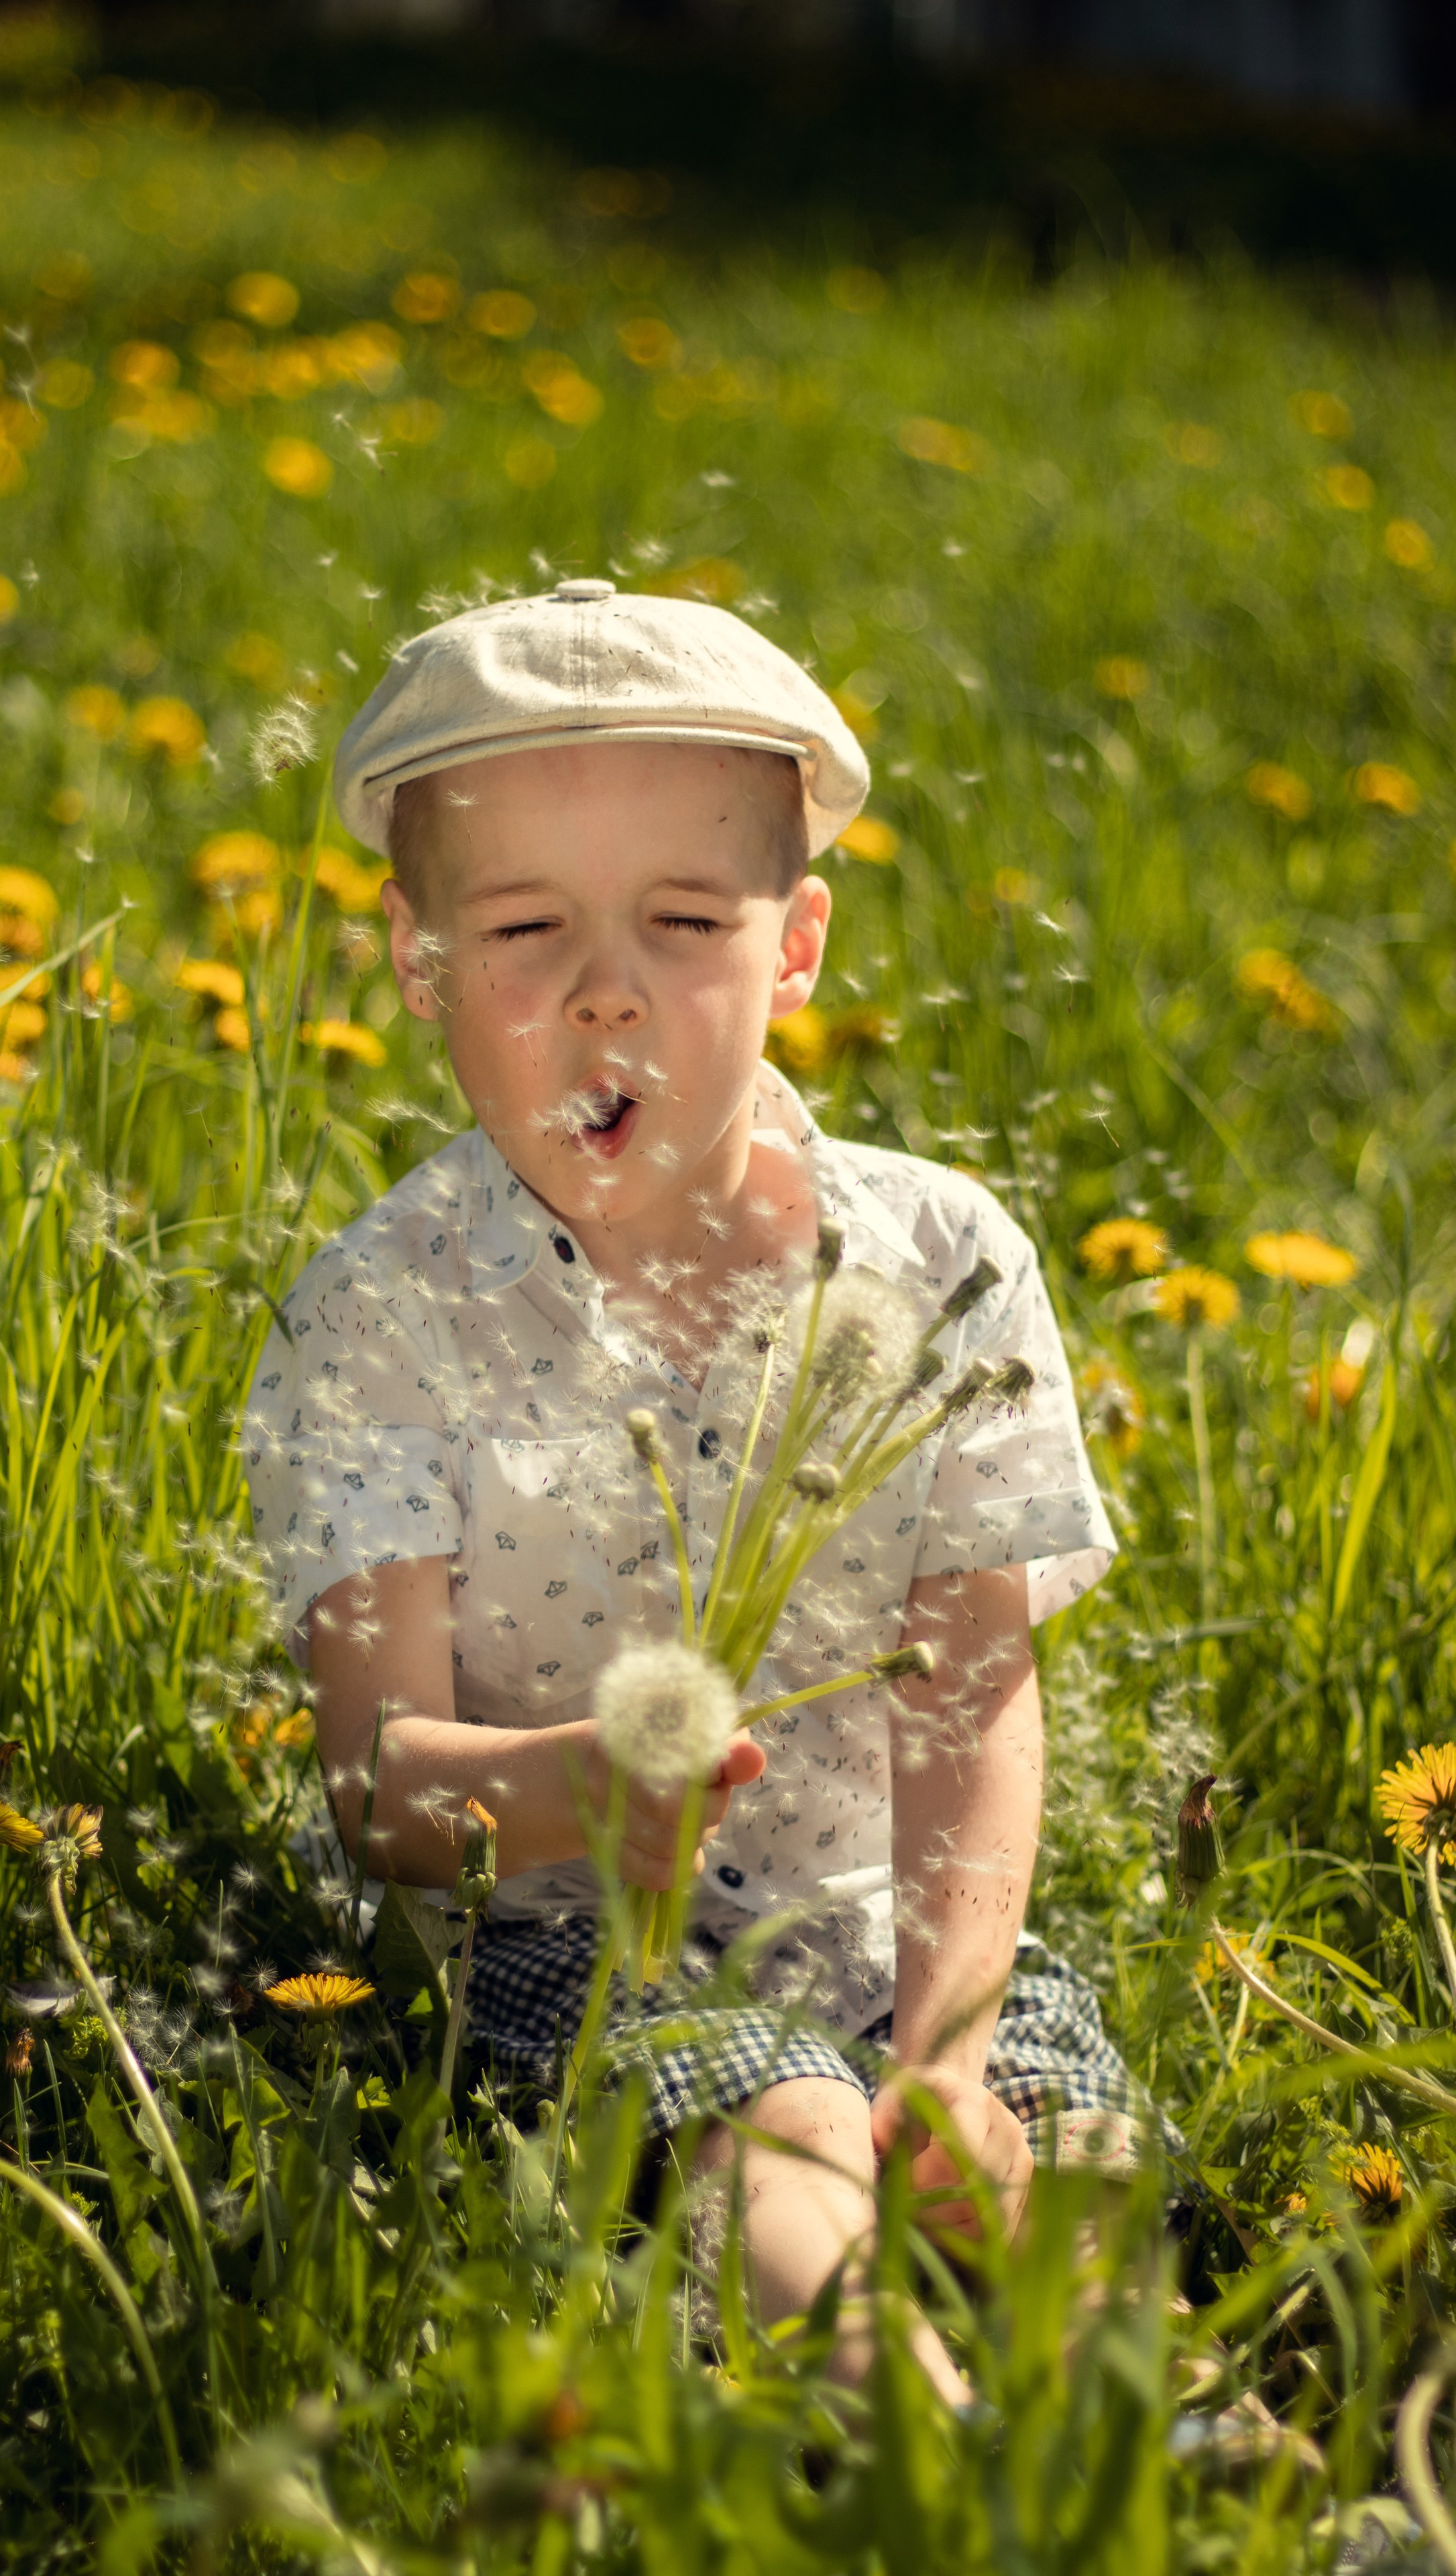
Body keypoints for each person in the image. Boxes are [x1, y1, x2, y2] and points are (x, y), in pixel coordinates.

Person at [243, 578, 1152, 2404]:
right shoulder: (381, 1311)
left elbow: (973, 1699)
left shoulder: (943, 1259)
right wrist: (556, 1795)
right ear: (421, 974)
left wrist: (957, 2052)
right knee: (791, 2134)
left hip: (895, 1916)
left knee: (1076, 2163)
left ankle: (1149, 2431)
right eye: (523, 930)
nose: (607, 989)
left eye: (682, 919)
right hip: (567, 1942)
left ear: (797, 947)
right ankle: (918, 2446)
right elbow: (370, 1779)